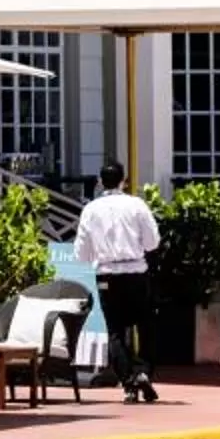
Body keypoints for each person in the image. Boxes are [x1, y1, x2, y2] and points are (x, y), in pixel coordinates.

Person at [75, 162, 159, 403]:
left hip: (106, 275)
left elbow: (81, 252)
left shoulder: (91, 210)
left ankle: (128, 381)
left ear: (101, 182)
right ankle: (142, 371)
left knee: (115, 331)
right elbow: (152, 242)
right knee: (145, 325)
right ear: (124, 180)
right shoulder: (136, 205)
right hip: (135, 271)